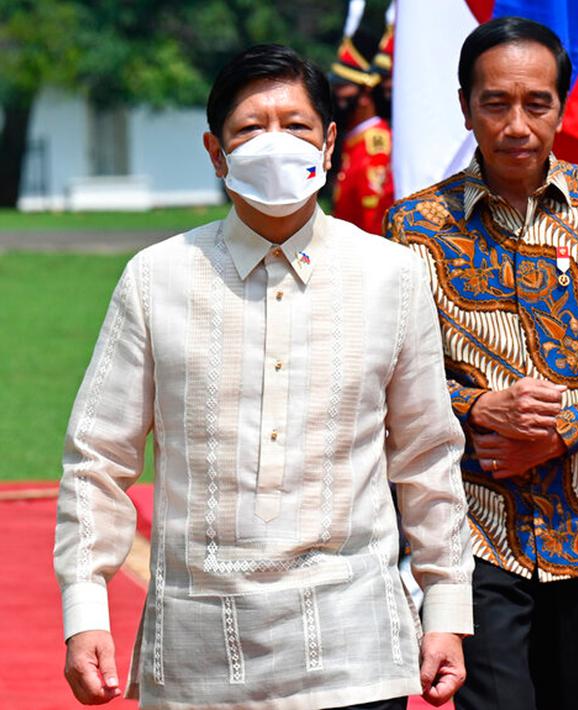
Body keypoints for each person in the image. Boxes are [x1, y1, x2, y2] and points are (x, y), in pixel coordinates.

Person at [55, 44, 472, 710]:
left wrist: (446, 604)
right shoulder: (157, 278)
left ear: (329, 142)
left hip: (354, 648)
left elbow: (426, 456)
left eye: (296, 126)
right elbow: (97, 460)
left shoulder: (390, 276)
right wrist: (86, 610)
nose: (274, 145)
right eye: (250, 129)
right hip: (200, 659)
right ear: (215, 153)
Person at [384, 17, 578, 710]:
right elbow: (391, 371)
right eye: (496, 104)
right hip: (473, 528)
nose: (516, 124)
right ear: (466, 107)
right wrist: (475, 409)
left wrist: (567, 427)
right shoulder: (414, 229)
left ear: (561, 103)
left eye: (536, 104)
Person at [329, 32, 395, 235]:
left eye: (342, 87)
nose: (336, 94)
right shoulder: (352, 140)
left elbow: (374, 222)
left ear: (365, 95)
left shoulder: (375, 146)